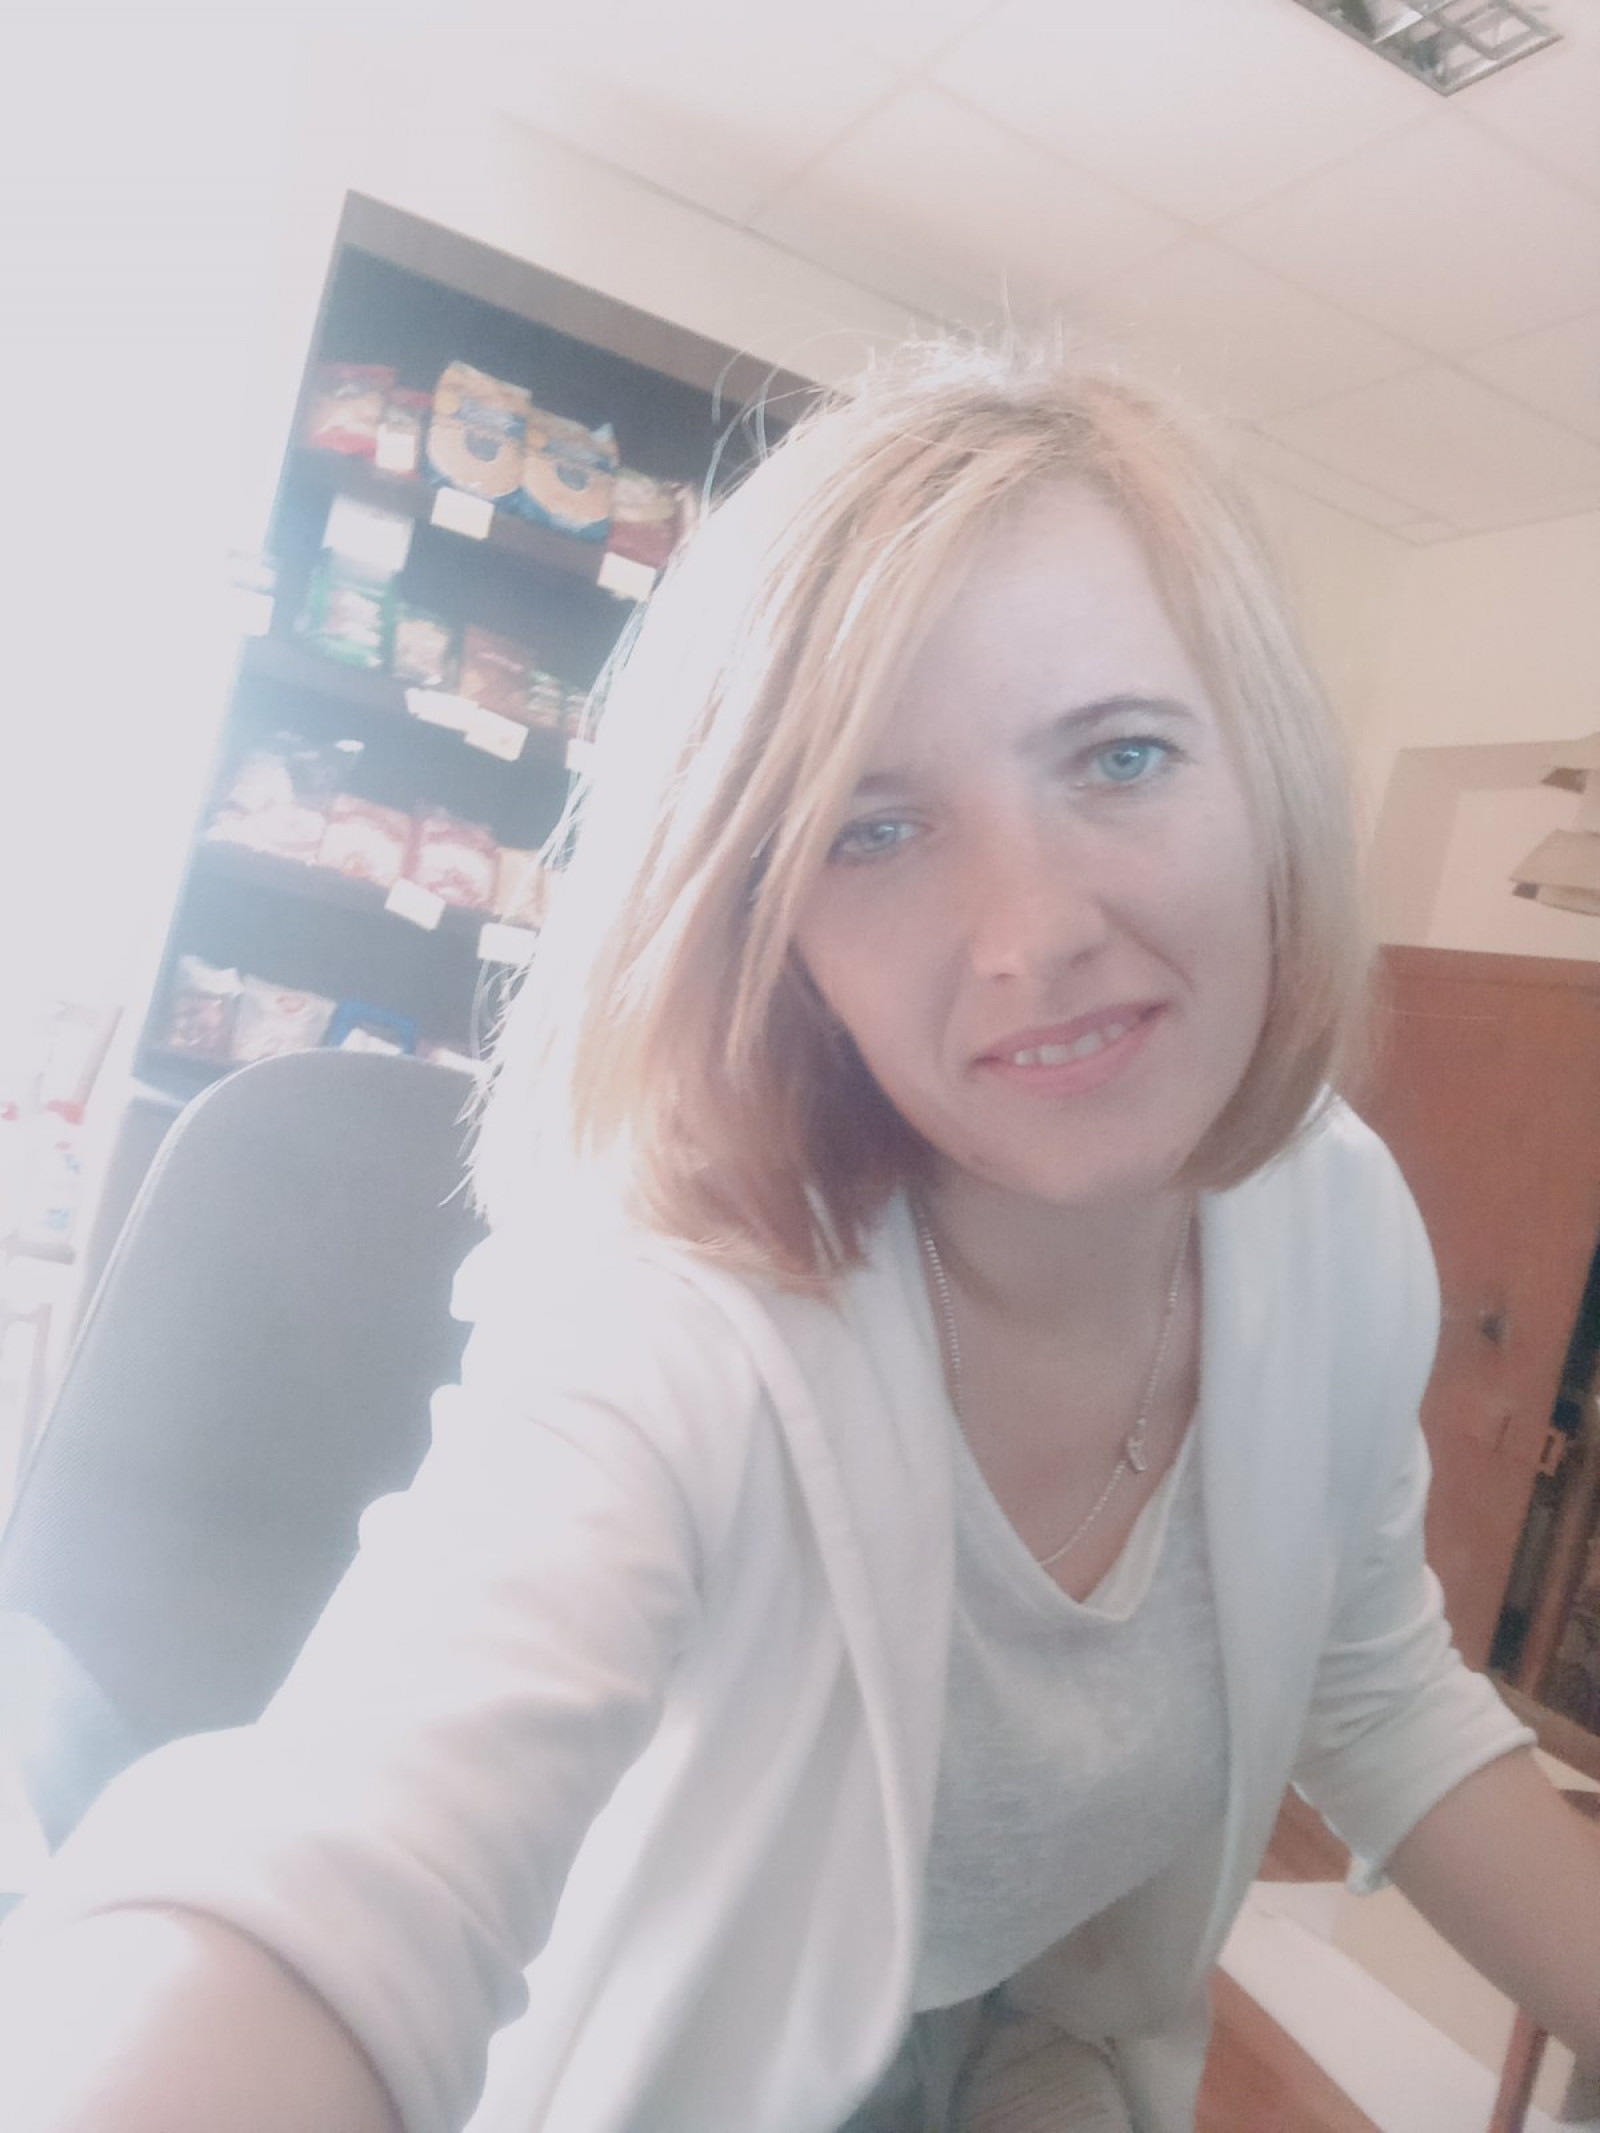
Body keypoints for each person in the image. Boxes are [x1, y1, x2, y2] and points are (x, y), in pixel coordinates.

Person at [2, 339, 1599, 2133]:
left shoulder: (1335, 1221)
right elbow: (349, 1868)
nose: (1031, 934)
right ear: (770, 923)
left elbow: (1376, 1691)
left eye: (1123, 755)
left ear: (1271, 780)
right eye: (875, 827)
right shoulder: (679, 1305)